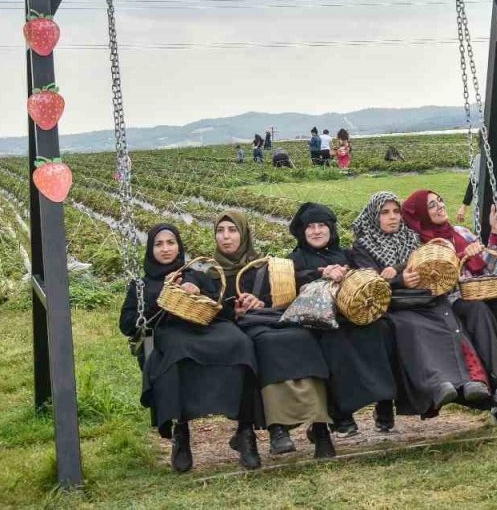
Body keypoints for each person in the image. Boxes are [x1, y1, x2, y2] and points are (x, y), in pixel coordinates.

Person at [348, 192, 497, 416]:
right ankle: (439, 384)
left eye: (396, 211)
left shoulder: (412, 238)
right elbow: (367, 281)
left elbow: (433, 267)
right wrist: (399, 280)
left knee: (451, 323)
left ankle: (473, 381)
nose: (392, 217)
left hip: (427, 298)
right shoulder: (363, 246)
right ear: (373, 216)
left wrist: (490, 236)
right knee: (414, 327)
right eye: (385, 212)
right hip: (396, 304)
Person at [118, 224, 263, 472]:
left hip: (207, 327)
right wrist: (163, 295)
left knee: (241, 344)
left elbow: (218, 308)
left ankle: (245, 430)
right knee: (177, 354)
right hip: (172, 333)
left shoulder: (196, 274)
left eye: (171, 243)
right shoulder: (141, 285)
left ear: (179, 247)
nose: (166, 249)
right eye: (159, 244)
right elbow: (127, 324)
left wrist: (211, 298)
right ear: (150, 249)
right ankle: (181, 433)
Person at [212, 210, 336, 459]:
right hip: (242, 329)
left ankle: (320, 426)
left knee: (303, 338)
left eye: (232, 230)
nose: (226, 237)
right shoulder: (209, 272)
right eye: (220, 231)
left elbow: (283, 292)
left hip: (269, 318)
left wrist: (260, 302)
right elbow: (208, 309)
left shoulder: (262, 266)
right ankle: (277, 428)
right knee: (266, 344)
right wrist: (233, 310)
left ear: (244, 234)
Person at [404, 189, 497, 421]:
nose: (440, 206)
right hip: (452, 303)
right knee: (475, 309)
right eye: (431, 205)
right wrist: (462, 256)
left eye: (440, 200)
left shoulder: (460, 232)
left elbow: (486, 266)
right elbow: (437, 285)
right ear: (420, 214)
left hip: (481, 292)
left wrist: (495, 233)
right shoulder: (422, 246)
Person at [288, 202, 398, 435]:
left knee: (382, 329)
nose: (316, 231)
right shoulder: (295, 259)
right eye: (310, 227)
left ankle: (384, 401)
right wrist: (321, 274)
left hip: (354, 315)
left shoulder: (346, 254)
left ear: (331, 228)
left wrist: (349, 274)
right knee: (334, 342)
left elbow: (365, 275)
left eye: (321, 225)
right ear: (302, 231)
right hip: (320, 322)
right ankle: (342, 414)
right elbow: (292, 283)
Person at [457, 135, 497, 241]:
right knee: (496, 237)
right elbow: (473, 183)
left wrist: (464, 206)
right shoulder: (484, 158)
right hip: (490, 205)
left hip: (495, 205)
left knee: (496, 236)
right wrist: (464, 206)